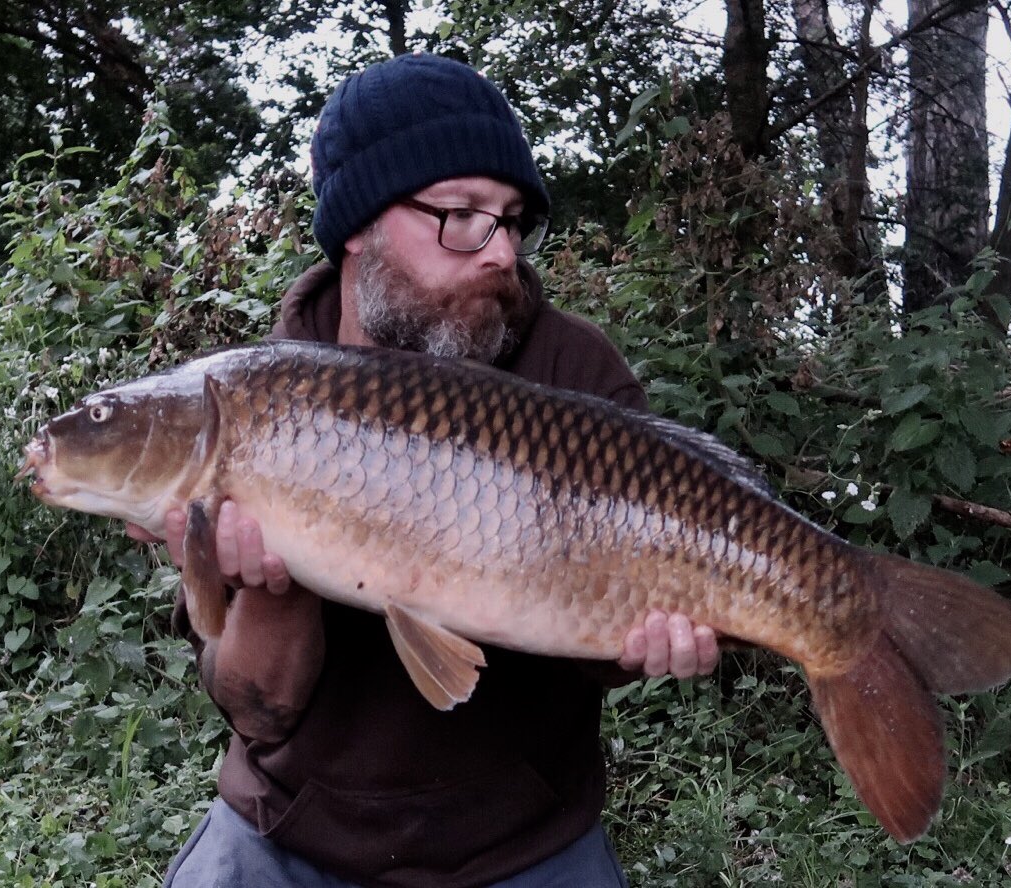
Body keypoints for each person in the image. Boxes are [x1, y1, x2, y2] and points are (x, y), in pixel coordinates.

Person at [129, 53, 719, 888]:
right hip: (291, 833)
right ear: (359, 226)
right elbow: (257, 709)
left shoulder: (573, 372)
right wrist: (275, 584)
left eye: (511, 220)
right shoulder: (251, 403)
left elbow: (602, 648)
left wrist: (649, 636)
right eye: (462, 216)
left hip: (524, 843)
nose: (499, 254)